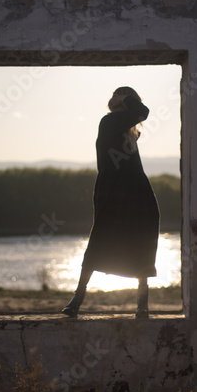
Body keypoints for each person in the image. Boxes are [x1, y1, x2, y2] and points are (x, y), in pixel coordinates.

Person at [62, 86, 160, 319]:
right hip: (113, 189)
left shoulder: (131, 131)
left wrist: (128, 98)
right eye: (115, 93)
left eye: (120, 93)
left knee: (142, 239)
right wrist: (129, 101)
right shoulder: (109, 121)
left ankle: (142, 304)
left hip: (137, 191)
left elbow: (140, 112)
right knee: (100, 239)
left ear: (127, 100)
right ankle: (77, 299)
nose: (114, 95)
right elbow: (143, 111)